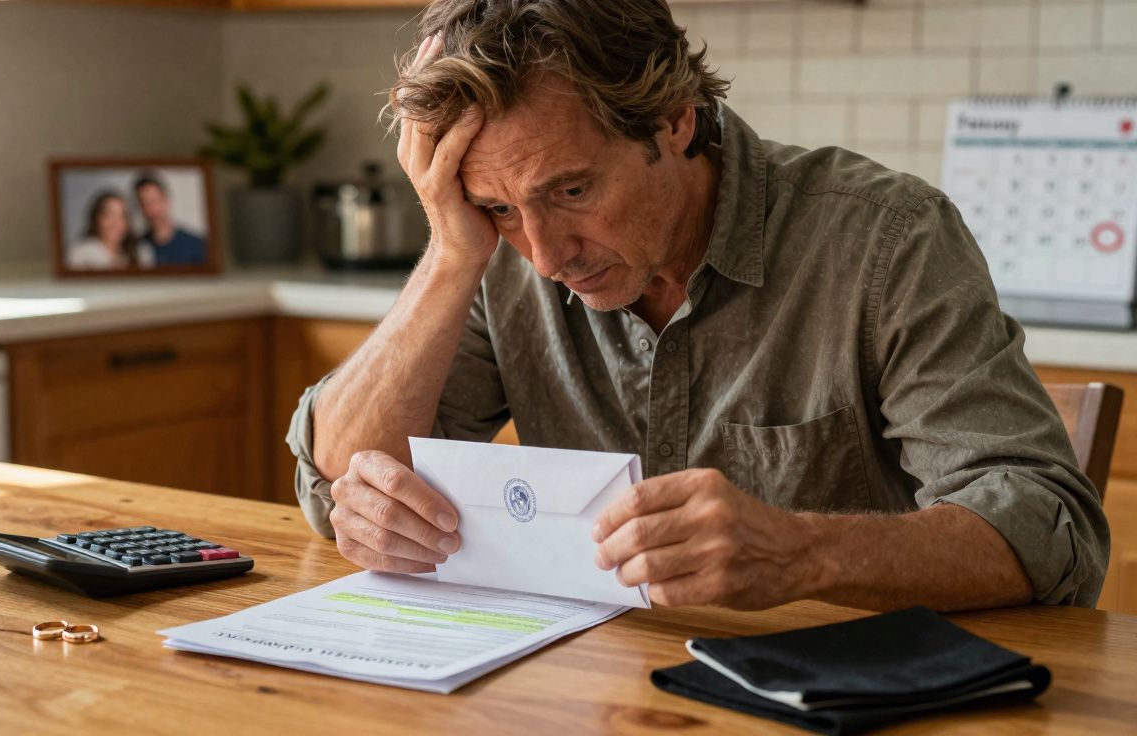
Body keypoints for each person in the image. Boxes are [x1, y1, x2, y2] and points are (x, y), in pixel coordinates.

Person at [286, 0, 1109, 611]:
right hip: (593, 693)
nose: (544, 252)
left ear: (675, 119)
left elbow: (1050, 524)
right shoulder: (493, 255)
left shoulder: (885, 239)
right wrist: (453, 247)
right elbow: (338, 472)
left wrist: (803, 552)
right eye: (499, 208)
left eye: (572, 190)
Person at [133, 172, 207, 266]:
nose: (152, 210)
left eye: (155, 201)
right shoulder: (135, 248)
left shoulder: (198, 245)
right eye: (144, 204)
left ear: (166, 200)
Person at [67, 191, 154, 271]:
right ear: (97, 219)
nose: (117, 222)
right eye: (109, 215)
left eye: (123, 216)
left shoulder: (140, 253)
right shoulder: (81, 254)